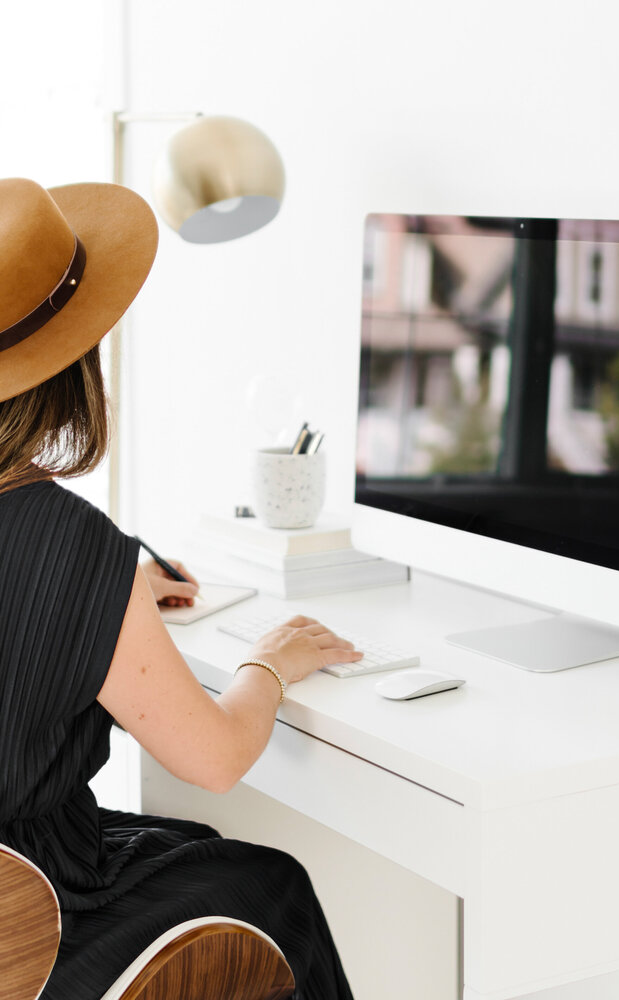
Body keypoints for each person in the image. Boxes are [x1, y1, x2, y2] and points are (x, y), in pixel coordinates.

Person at [0, 177, 363, 999]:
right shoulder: (68, 542)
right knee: (271, 886)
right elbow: (216, 757)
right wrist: (269, 663)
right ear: (72, 365)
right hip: (31, 920)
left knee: (189, 844)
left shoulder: (86, 561)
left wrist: (108, 599)